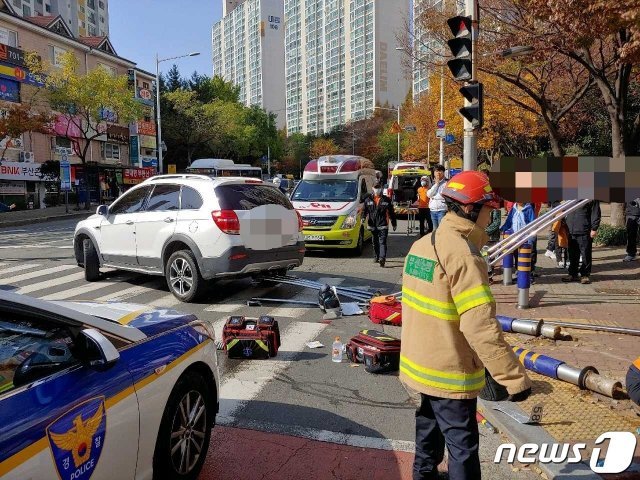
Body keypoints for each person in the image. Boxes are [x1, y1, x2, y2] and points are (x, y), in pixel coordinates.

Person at [400, 171, 531, 480]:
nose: (492, 216)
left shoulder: (422, 244)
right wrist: (513, 379)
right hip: (449, 372)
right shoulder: (464, 256)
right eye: (490, 209)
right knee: (463, 448)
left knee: (428, 435)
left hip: (418, 367)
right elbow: (481, 326)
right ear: (472, 209)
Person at [562, 200, 601, 284]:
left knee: (585, 254)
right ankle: (573, 273)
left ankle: (585, 275)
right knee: (572, 254)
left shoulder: (590, 198)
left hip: (584, 229)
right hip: (571, 230)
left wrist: (594, 228)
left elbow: (595, 212)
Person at [363, 181, 397, 267]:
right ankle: (376, 256)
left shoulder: (386, 200)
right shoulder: (368, 200)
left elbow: (391, 213)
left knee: (382, 242)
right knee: (375, 242)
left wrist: (394, 223)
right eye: (375, 187)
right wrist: (363, 218)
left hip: (383, 224)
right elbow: (365, 211)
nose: (377, 189)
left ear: (381, 188)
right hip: (373, 225)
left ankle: (382, 258)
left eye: (378, 187)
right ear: (372, 188)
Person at [500, 202, 538, 278]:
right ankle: (519, 272)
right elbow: (509, 221)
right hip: (516, 237)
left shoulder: (528, 208)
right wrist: (503, 228)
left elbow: (532, 223)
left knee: (527, 256)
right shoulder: (514, 208)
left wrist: (531, 238)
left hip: (525, 237)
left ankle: (529, 273)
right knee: (517, 255)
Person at [427, 165, 447, 230]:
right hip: (433, 209)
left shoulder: (447, 182)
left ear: (443, 172)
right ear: (434, 173)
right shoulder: (432, 183)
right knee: (435, 229)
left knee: (441, 230)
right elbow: (429, 194)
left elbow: (444, 195)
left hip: (442, 209)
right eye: (436, 171)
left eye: (440, 171)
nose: (438, 173)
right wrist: (436, 184)